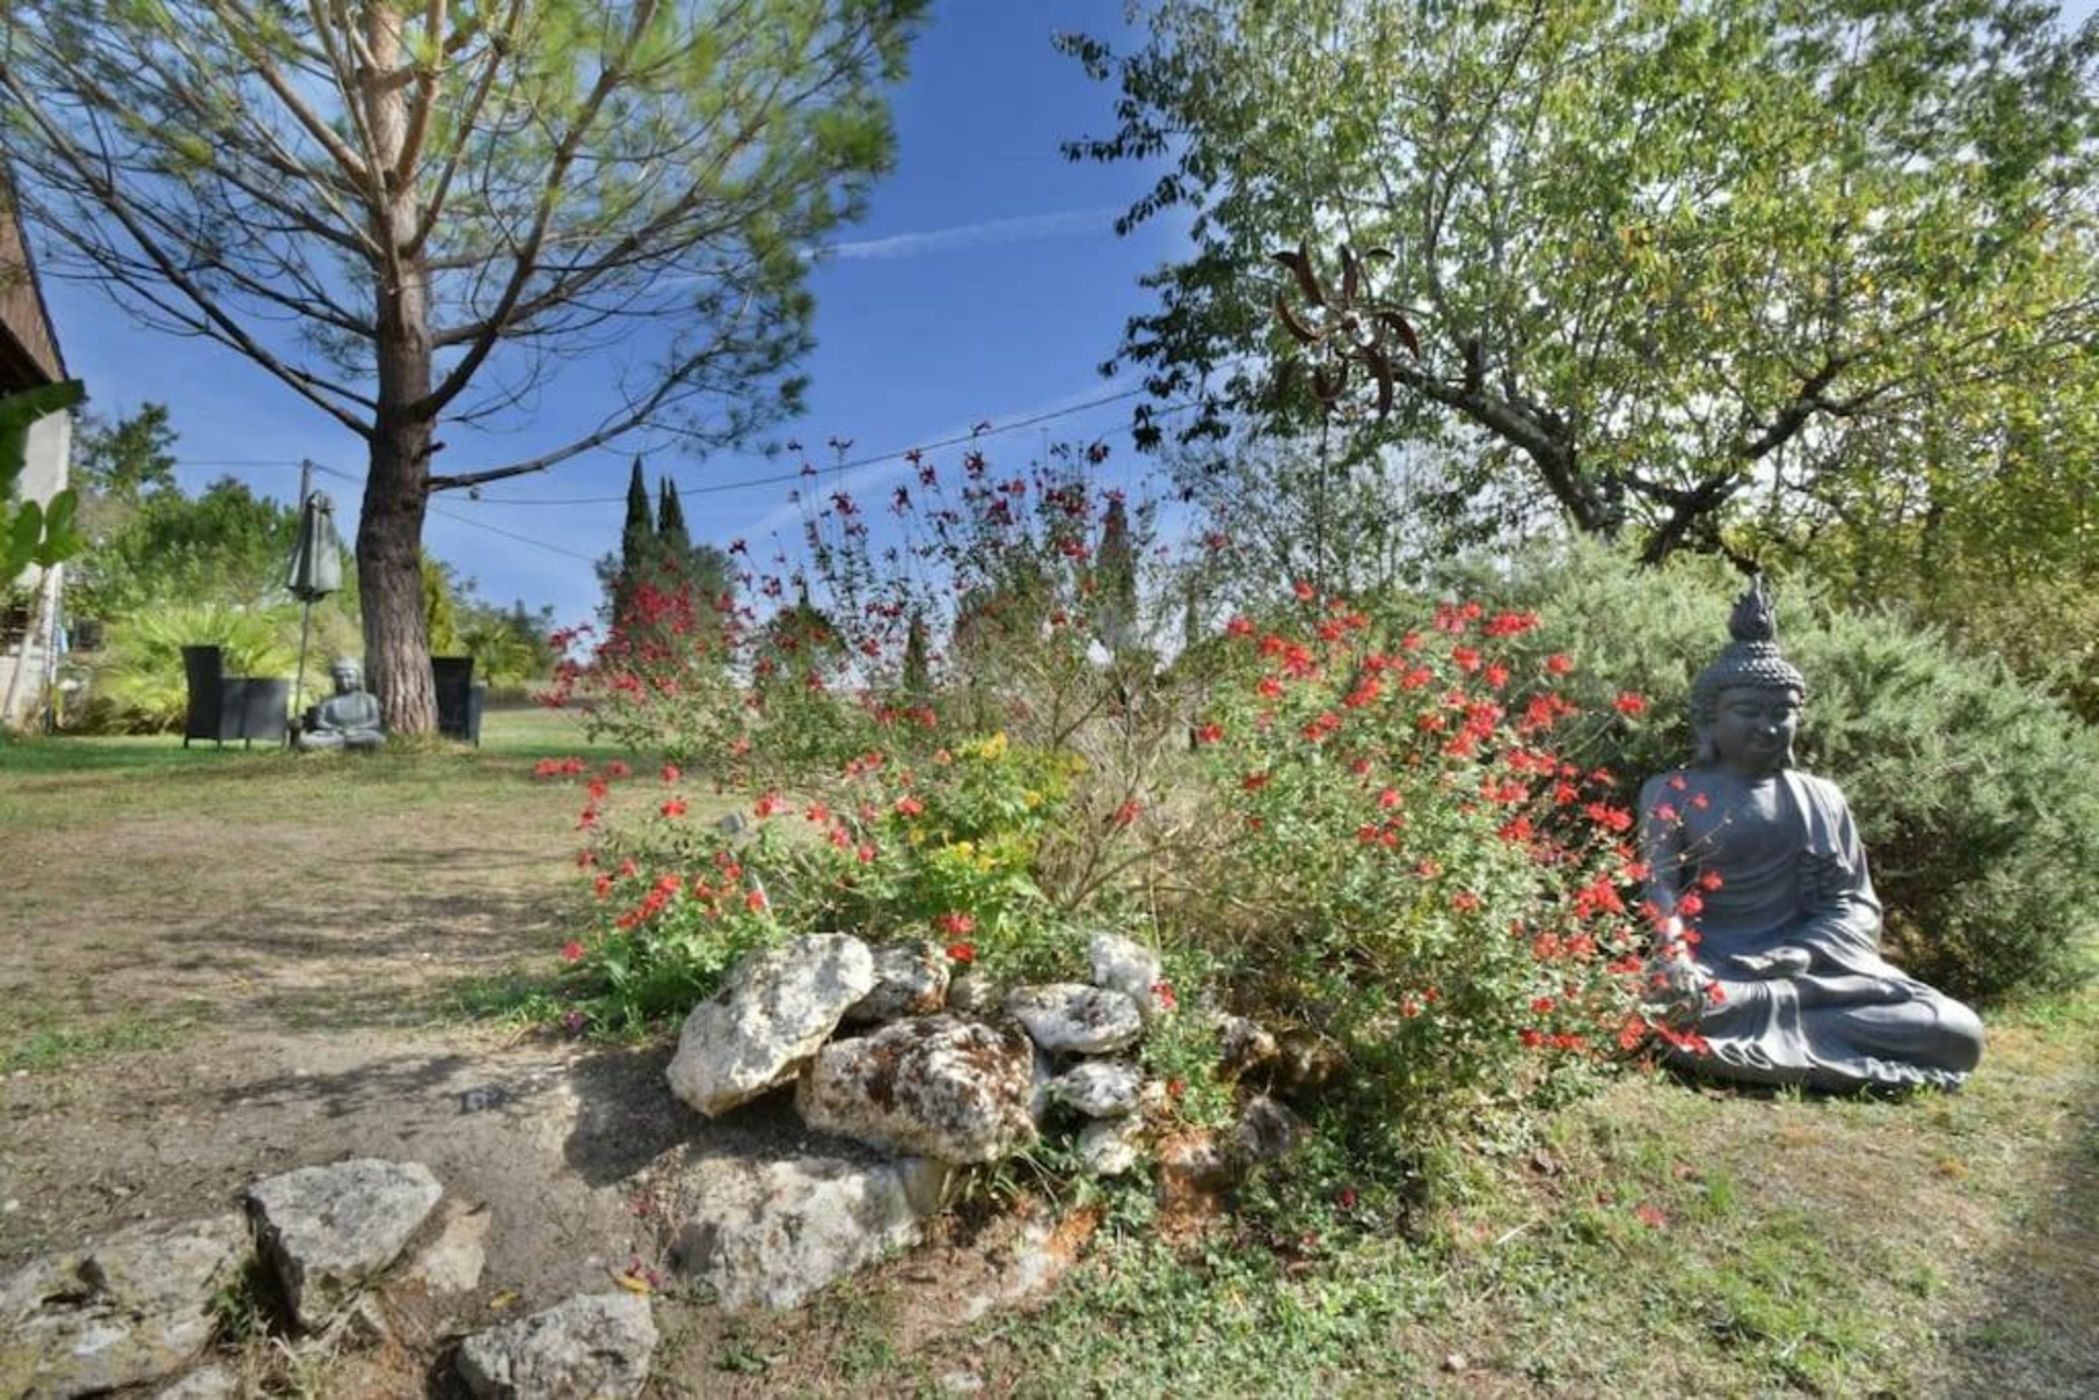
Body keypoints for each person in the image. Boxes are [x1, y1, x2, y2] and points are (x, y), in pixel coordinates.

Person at [1638, 579, 1983, 1091]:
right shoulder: (1671, 790)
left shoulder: (1822, 797)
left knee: (1957, 1031)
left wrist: (1802, 953)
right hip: (1714, 968)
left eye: (1782, 713)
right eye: (1748, 712)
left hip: (1811, 974)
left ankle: (1777, 1030)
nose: (1768, 726)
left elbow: (1855, 906)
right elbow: (1659, 885)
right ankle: (1798, 1037)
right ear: (1709, 719)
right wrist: (1676, 958)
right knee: (1668, 1006)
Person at [297, 657, 385, 751]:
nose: (344, 681)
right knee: (305, 741)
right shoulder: (327, 700)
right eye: (340, 677)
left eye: (349, 676)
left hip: (360, 733)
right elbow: (320, 722)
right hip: (333, 734)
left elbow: (375, 722)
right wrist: (338, 729)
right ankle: (346, 745)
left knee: (377, 740)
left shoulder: (369, 699)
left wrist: (355, 729)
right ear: (335, 679)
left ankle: (341, 745)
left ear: (358, 678)